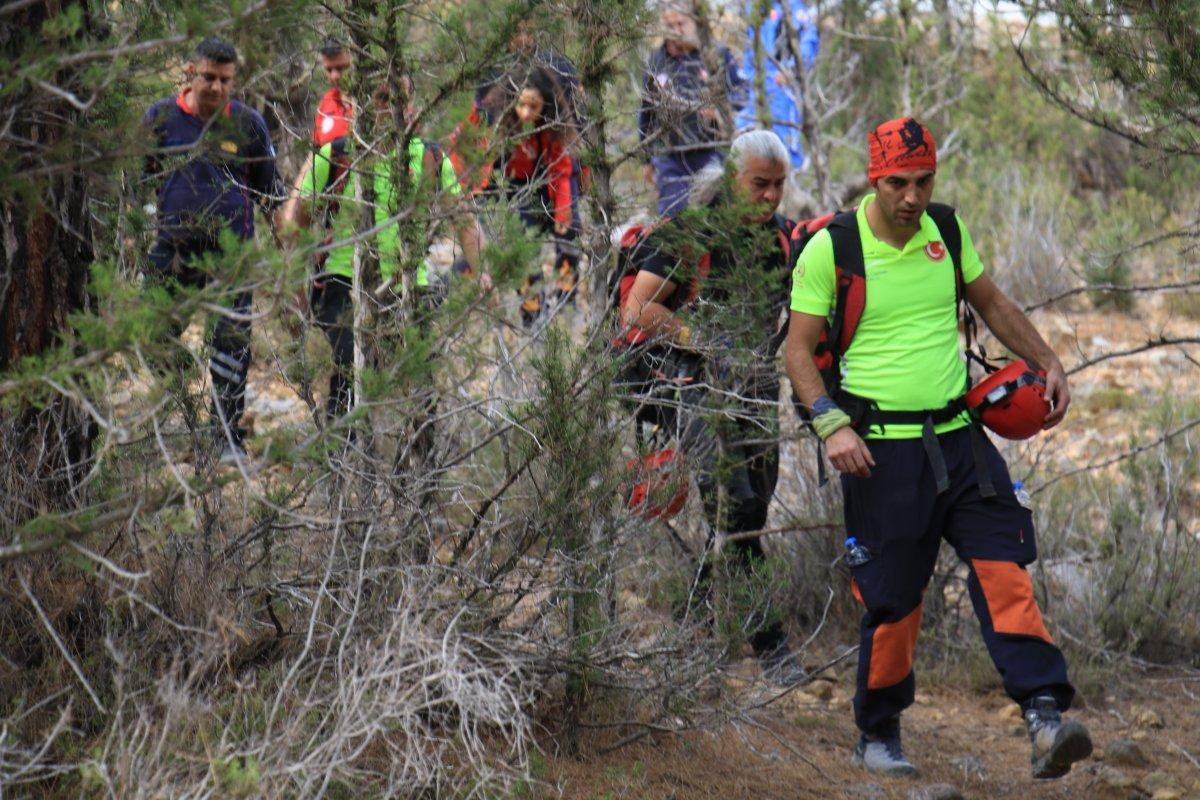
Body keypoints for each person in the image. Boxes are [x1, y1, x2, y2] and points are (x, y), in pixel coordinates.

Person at [784, 117, 1092, 779]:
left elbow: (992, 301)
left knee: (1005, 570)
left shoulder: (946, 231)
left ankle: (1044, 715)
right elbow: (797, 351)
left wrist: (1048, 361)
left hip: (959, 439)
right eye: (899, 182)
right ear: (876, 177)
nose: (913, 197)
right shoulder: (833, 249)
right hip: (879, 451)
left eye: (924, 181)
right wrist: (830, 424)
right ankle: (878, 732)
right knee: (894, 599)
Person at [619, 130, 801, 684]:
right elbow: (637, 310)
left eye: (779, 186)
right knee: (734, 507)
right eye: (759, 184)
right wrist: (700, 339)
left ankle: (693, 622)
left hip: (756, 390)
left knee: (751, 515)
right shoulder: (689, 235)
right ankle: (769, 645)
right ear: (731, 177)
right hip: (689, 386)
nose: (770, 197)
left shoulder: (784, 241)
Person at [279, 77, 485, 423]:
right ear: (359, 105)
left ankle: (420, 466)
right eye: (381, 98)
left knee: (420, 376)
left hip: (409, 281)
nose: (391, 108)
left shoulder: (430, 156)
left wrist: (482, 273)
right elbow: (295, 223)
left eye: (400, 99)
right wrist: (293, 289)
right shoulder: (336, 155)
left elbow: (464, 220)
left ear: (413, 105)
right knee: (349, 364)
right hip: (342, 280)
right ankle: (344, 460)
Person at [142, 37, 280, 465]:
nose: (217, 88)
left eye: (225, 80)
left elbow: (270, 195)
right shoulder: (160, 118)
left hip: (232, 254)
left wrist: (287, 260)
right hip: (174, 249)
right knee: (149, 334)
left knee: (231, 345)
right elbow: (140, 177)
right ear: (189, 72)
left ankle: (225, 439)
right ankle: (183, 386)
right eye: (209, 78)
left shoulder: (250, 124)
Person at [492, 66, 581, 326]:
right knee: (525, 248)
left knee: (570, 236)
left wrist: (563, 210)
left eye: (534, 106)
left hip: (552, 184)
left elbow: (562, 170)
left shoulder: (555, 125)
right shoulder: (503, 124)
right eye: (522, 105)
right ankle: (532, 311)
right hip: (519, 189)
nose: (527, 112)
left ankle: (567, 300)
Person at [639, 2, 747, 216]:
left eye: (681, 23)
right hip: (672, 157)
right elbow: (646, 113)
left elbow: (741, 94)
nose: (676, 30)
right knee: (673, 220)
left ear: (694, 22)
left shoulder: (716, 54)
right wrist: (646, 159)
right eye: (670, 25)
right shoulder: (656, 61)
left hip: (712, 150)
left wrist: (720, 111)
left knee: (718, 216)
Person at [737, 0, 819, 170]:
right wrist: (746, 79)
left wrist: (791, 70)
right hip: (756, 91)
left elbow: (808, 43)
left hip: (782, 92)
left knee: (784, 148)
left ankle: (790, 183)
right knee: (746, 143)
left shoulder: (794, 9)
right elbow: (749, 49)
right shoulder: (754, 7)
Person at [314, 39, 353, 145]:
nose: (334, 76)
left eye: (341, 68)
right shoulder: (327, 101)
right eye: (329, 70)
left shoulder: (379, 100)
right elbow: (314, 152)